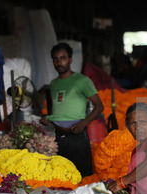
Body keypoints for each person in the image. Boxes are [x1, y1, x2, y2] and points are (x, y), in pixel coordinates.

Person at [42, 42, 103, 177]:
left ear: (70, 59)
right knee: (61, 177)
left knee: (81, 177)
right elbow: (58, 110)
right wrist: (49, 118)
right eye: (56, 59)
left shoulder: (82, 81)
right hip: (58, 138)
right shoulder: (53, 84)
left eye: (63, 58)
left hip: (77, 137)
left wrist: (83, 123)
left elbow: (99, 106)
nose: (59, 62)